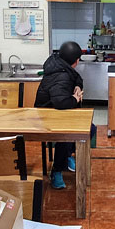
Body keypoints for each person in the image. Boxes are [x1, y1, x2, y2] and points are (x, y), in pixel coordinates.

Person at [35, 41, 88, 189]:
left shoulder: (59, 63)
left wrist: (77, 86)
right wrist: (75, 99)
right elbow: (61, 102)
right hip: (46, 115)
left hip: (57, 112)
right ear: (76, 61)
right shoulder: (61, 75)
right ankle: (56, 171)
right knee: (66, 136)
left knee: (90, 128)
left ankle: (67, 155)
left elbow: (77, 78)